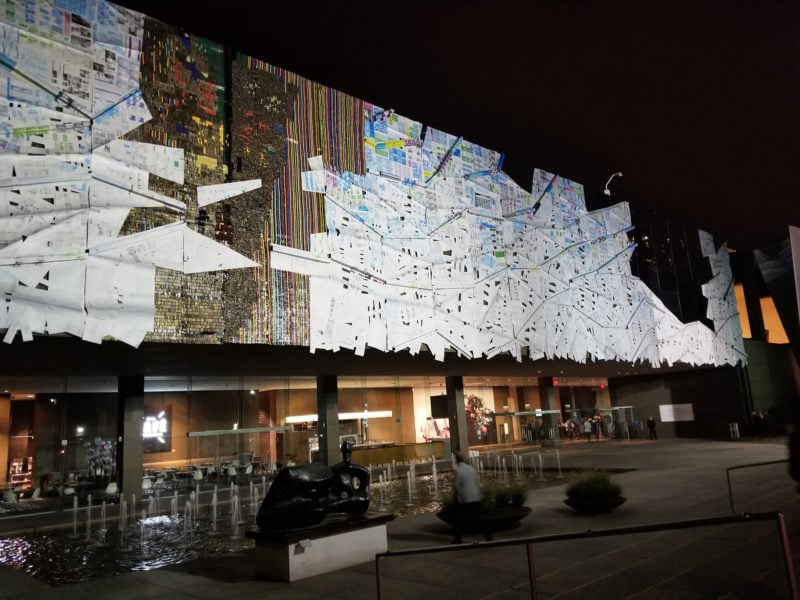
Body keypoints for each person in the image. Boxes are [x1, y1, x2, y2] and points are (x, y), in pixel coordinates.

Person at [451, 450, 487, 543]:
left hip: (465, 499)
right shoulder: (471, 468)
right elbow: (476, 482)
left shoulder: (458, 471)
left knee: (457, 519)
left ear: (457, 461)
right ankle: (488, 536)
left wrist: (455, 498)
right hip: (476, 496)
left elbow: (457, 486)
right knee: (477, 519)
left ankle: (458, 539)